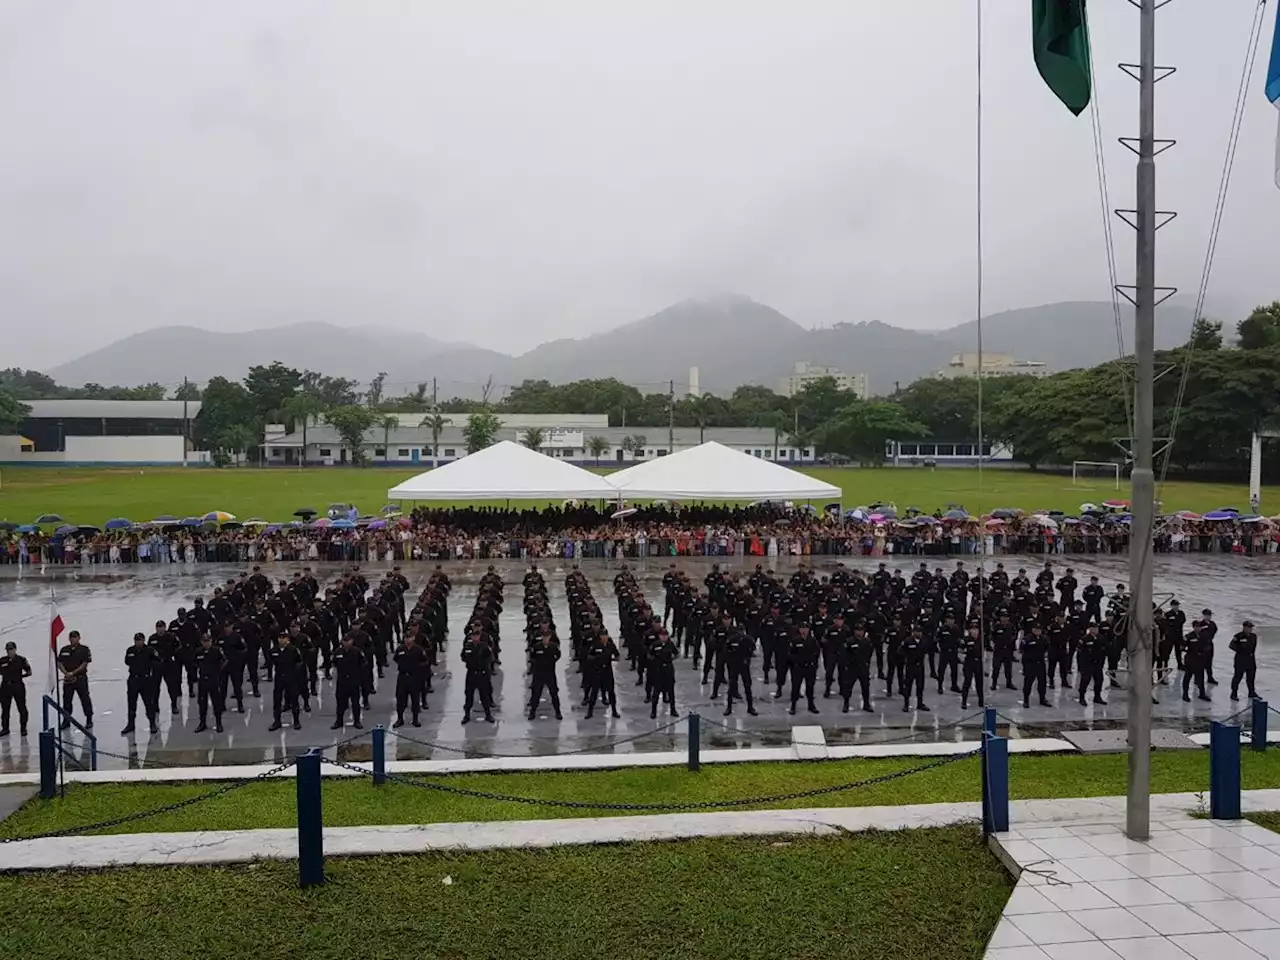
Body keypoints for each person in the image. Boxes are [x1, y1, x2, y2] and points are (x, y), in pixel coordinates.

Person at [121, 632, 158, 736]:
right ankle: (131, 724)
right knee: (131, 704)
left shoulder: (149, 650)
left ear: (143, 640)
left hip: (145, 680)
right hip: (133, 679)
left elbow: (157, 661)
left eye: (140, 640)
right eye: (136, 640)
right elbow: (127, 662)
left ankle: (152, 723)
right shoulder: (130, 650)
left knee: (149, 703)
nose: (138, 642)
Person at [268, 632, 305, 731]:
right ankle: (277, 721)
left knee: (294, 700)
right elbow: (271, 661)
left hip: (291, 677)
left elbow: (299, 662)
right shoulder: (274, 650)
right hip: (279, 678)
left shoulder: (293, 650)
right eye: (280, 638)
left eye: (283, 638)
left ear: (287, 639)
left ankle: (296, 721)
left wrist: (295, 674)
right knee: (277, 700)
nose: (281, 640)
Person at [392, 632, 430, 728]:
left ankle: (415, 719)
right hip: (403, 677)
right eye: (406, 638)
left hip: (414, 677)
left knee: (415, 698)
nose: (407, 640)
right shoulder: (400, 649)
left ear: (413, 638)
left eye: (409, 638)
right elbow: (396, 659)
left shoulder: (418, 649)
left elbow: (425, 661)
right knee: (400, 699)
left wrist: (417, 667)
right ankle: (400, 719)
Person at [57, 629, 92, 730]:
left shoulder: (84, 649)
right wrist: (66, 673)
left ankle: (89, 718)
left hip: (80, 678)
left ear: (79, 638)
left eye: (75, 637)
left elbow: (84, 663)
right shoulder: (64, 650)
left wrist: (73, 673)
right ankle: (66, 720)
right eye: (71, 637)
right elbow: (60, 663)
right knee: (67, 700)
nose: (73, 639)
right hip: (68, 679)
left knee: (85, 699)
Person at [330, 635, 365, 730]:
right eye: (344, 641)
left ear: (352, 641)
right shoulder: (338, 652)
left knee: (355, 703)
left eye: (348, 641)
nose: (346, 643)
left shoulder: (357, 651)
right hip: (342, 681)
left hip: (354, 680)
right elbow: (334, 663)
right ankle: (339, 721)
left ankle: (357, 721)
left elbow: (363, 663)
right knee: (340, 703)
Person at [194, 634, 226, 733]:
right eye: (204, 641)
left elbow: (224, 661)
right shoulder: (198, 651)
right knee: (202, 703)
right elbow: (194, 662)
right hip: (203, 680)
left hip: (214, 680)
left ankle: (219, 723)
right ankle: (202, 723)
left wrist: (217, 671)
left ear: (211, 641)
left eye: (208, 641)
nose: (206, 643)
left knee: (216, 702)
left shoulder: (216, 650)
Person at [460, 632, 495, 724]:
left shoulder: (484, 646)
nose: (475, 637)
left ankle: (488, 715)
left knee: (484, 695)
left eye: (477, 635)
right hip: (471, 673)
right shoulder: (468, 646)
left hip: (481, 674)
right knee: (468, 695)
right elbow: (463, 656)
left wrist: (485, 668)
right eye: (474, 636)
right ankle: (467, 715)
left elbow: (490, 658)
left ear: (479, 637)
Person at [528, 633, 563, 720]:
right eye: (544, 637)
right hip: (539, 674)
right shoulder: (536, 647)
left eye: (547, 637)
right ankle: (532, 712)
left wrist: (552, 661)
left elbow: (558, 655)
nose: (545, 639)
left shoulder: (553, 647)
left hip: (550, 673)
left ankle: (558, 712)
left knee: (554, 693)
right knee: (536, 694)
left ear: (549, 637)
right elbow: (532, 657)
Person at [0, 641, 32, 736]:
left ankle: (23, 728)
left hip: (17, 686)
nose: (9, 652)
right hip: (5, 687)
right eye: (8, 650)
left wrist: (20, 676)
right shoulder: (2, 660)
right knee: (5, 709)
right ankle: (5, 728)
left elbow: (29, 671)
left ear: (15, 649)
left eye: (11, 649)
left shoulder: (21, 660)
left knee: (21, 707)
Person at [1020, 624, 1050, 709]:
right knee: (1028, 683)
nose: (1038, 631)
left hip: (1040, 663)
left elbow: (1047, 648)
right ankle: (1026, 700)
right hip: (1030, 663)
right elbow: (1022, 649)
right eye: (1036, 629)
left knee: (1042, 682)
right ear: (1033, 629)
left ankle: (1042, 699)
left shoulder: (1044, 638)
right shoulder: (1027, 638)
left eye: (1039, 630)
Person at [1230, 620, 1259, 702]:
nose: (1250, 629)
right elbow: (1231, 645)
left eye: (1251, 628)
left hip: (1250, 660)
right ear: (1244, 627)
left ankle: (1251, 692)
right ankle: (1234, 693)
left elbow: (1253, 647)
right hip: (1240, 660)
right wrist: (1240, 650)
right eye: (1249, 627)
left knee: (1251, 677)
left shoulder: (1253, 636)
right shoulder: (1238, 636)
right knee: (1237, 677)